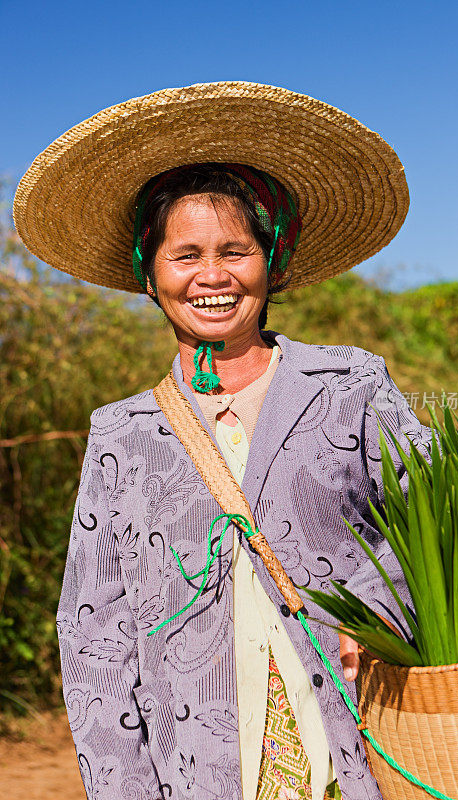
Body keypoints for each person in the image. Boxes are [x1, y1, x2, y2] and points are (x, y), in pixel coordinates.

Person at [14, 82, 432, 800]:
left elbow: (434, 528)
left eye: (235, 251)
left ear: (270, 264)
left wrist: (385, 622)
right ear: (150, 276)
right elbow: (95, 632)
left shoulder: (348, 385)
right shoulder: (123, 433)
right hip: (196, 761)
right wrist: (123, 788)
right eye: (185, 256)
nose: (212, 276)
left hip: (359, 734)